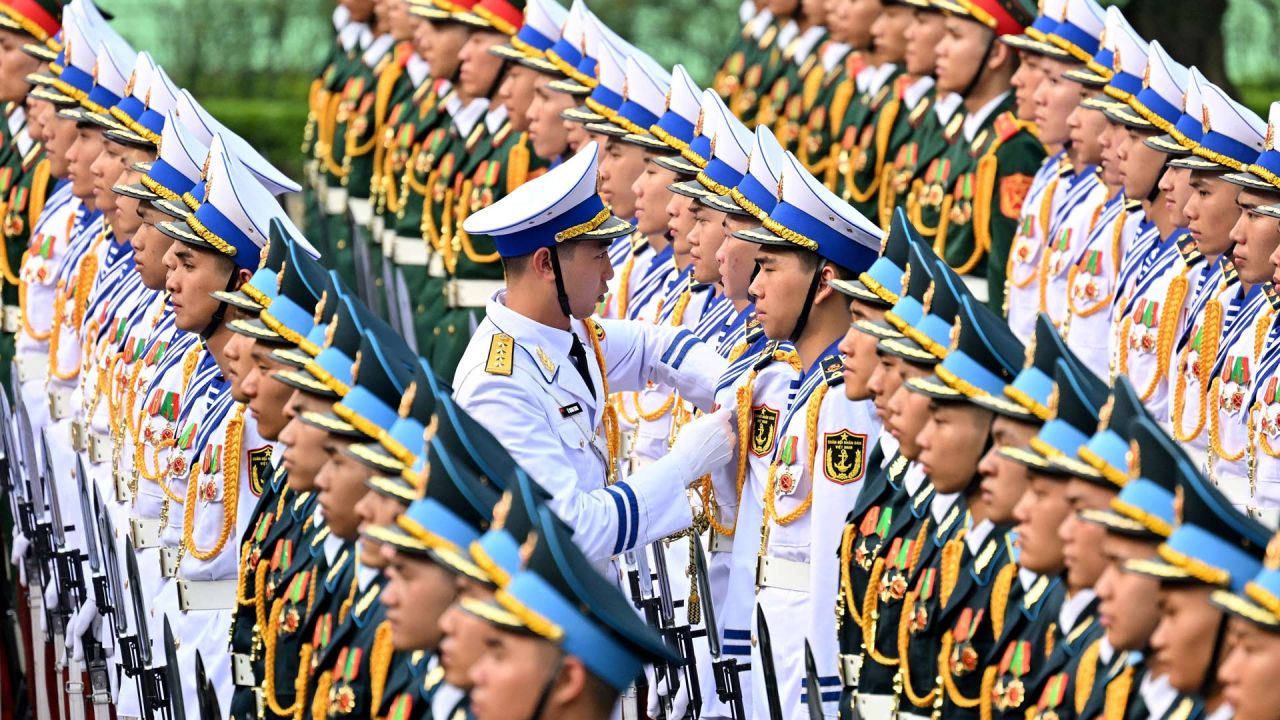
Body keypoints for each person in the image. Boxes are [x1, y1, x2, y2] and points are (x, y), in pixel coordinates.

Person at [909, 0, 1045, 309]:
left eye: (955, 37)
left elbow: (1007, 276)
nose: (940, 49)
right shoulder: (962, 131)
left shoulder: (1013, 147)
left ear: (996, 53)